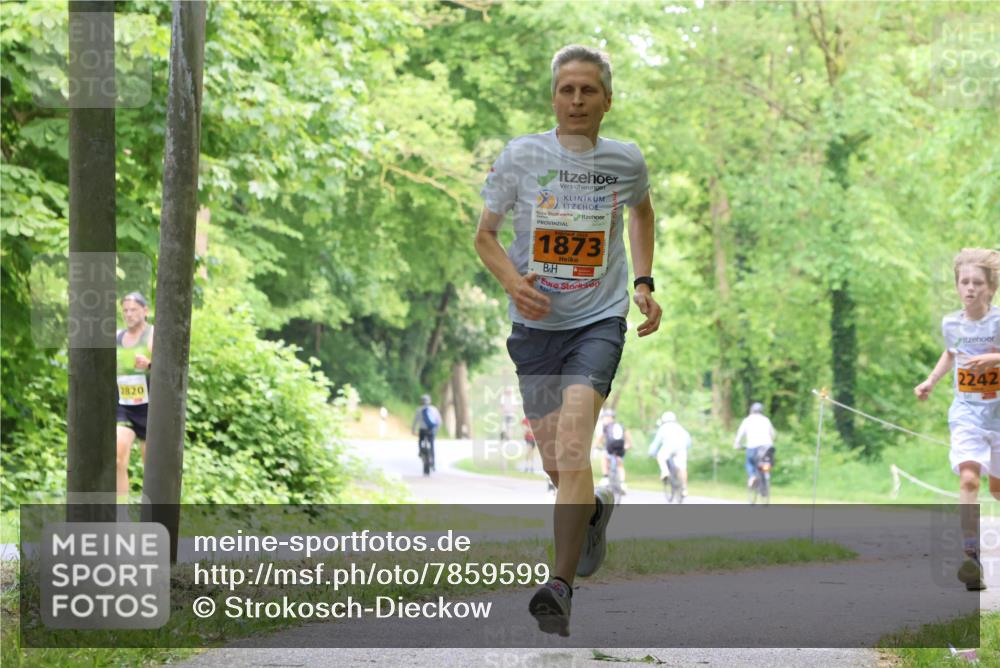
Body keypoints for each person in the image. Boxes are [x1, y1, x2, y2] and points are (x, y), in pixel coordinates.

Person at [474, 44, 661, 636]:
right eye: (566, 90)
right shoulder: (522, 156)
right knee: (558, 463)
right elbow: (485, 236)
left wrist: (643, 282)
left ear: (608, 99)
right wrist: (514, 283)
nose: (577, 100)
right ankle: (594, 512)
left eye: (588, 90)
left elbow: (642, 212)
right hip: (534, 329)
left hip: (598, 321)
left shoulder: (625, 161)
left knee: (576, 445)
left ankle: (560, 586)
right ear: (553, 97)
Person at [914, 248, 1000, 591]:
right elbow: (951, 353)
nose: (970, 288)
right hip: (966, 413)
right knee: (968, 480)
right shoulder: (951, 323)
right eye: (964, 282)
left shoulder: (998, 322)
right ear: (957, 286)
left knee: (997, 489)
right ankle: (970, 556)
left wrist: (993, 360)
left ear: (990, 287)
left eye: (977, 282)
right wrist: (931, 381)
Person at [116, 292, 154, 501]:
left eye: (134, 310)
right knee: (117, 458)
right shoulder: (117, 337)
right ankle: (121, 516)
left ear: (145, 311)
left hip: (150, 409)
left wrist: (149, 365)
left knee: (153, 468)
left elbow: (170, 371)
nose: (129, 314)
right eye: (125, 311)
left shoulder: (153, 335)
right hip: (124, 405)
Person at [648, 411, 691, 501]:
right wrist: (686, 448)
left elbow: (656, 443)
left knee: (660, 456)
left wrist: (651, 453)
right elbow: (688, 441)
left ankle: (665, 472)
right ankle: (684, 489)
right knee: (682, 468)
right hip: (681, 448)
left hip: (669, 447)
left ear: (663, 420)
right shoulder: (680, 427)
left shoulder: (663, 428)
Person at [733, 402, 776, 489]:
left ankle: (752, 476)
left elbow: (740, 433)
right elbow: (773, 434)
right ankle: (766, 477)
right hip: (767, 447)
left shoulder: (747, 420)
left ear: (751, 410)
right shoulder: (766, 420)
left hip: (752, 447)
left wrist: (737, 444)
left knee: (749, 462)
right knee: (767, 461)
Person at [595, 409, 632, 491]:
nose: (605, 419)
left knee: (604, 458)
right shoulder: (621, 425)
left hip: (610, 447)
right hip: (621, 448)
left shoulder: (606, 427)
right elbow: (628, 439)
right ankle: (622, 483)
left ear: (609, 418)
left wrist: (596, 446)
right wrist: (628, 446)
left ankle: (605, 477)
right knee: (620, 464)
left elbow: (600, 438)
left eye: (605, 418)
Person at [412, 395, 442, 471]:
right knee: (432, 446)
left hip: (422, 430)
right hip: (431, 430)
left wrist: (413, 430)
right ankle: (433, 464)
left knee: (420, 440)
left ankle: (420, 452)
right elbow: (438, 421)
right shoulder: (434, 409)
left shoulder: (419, 409)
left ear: (421, 401)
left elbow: (415, 421)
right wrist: (436, 430)